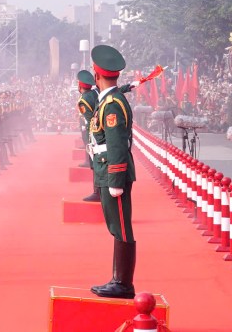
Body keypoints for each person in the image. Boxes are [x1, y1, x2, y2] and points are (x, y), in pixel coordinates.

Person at [88, 45, 137, 299]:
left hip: (113, 172)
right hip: (106, 169)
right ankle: (118, 279)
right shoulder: (110, 99)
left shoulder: (112, 103)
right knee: (115, 225)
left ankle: (124, 283)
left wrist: (116, 177)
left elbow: (117, 142)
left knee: (121, 226)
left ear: (97, 76)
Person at [76, 70, 101, 202]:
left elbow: (91, 120)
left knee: (95, 164)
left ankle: (97, 192)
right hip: (100, 132)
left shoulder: (84, 100)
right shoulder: (96, 92)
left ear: (80, 87)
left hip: (94, 134)